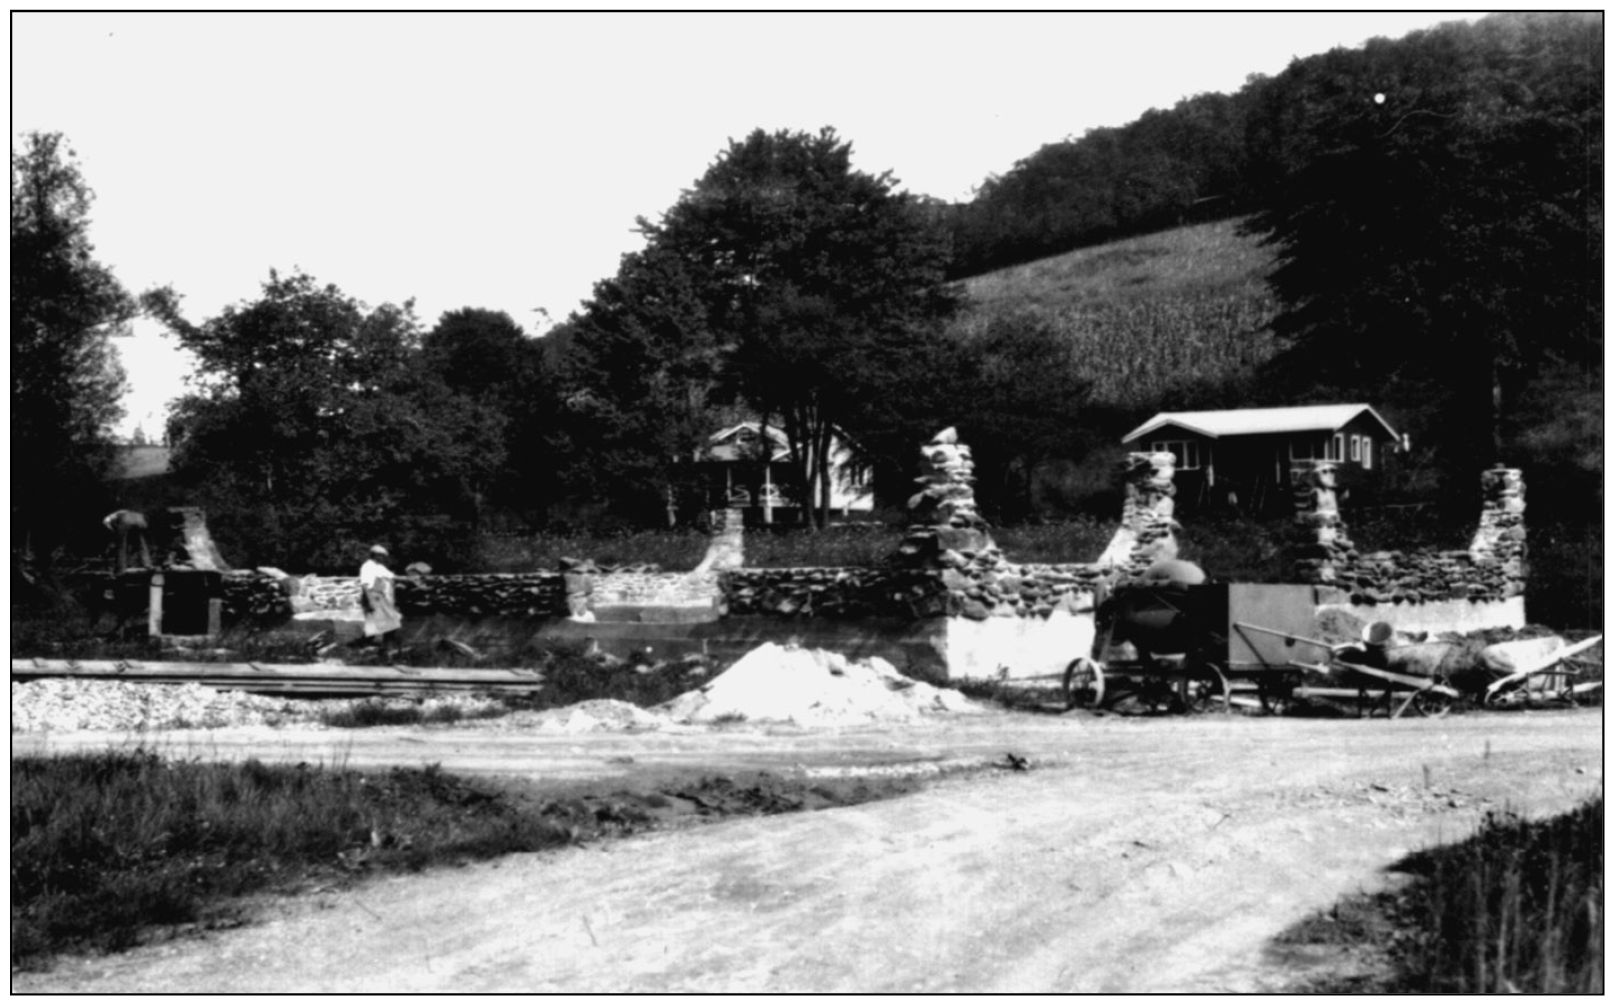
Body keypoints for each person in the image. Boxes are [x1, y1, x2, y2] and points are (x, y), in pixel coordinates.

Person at [358, 544, 402, 650]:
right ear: (374, 555)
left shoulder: (380, 567)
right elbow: (365, 585)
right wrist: (370, 601)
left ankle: (385, 647)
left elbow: (391, 576)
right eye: (380, 556)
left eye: (383, 556)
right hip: (373, 596)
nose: (382, 558)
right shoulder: (367, 566)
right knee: (377, 624)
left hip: (381, 597)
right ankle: (367, 646)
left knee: (390, 622)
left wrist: (410, 578)